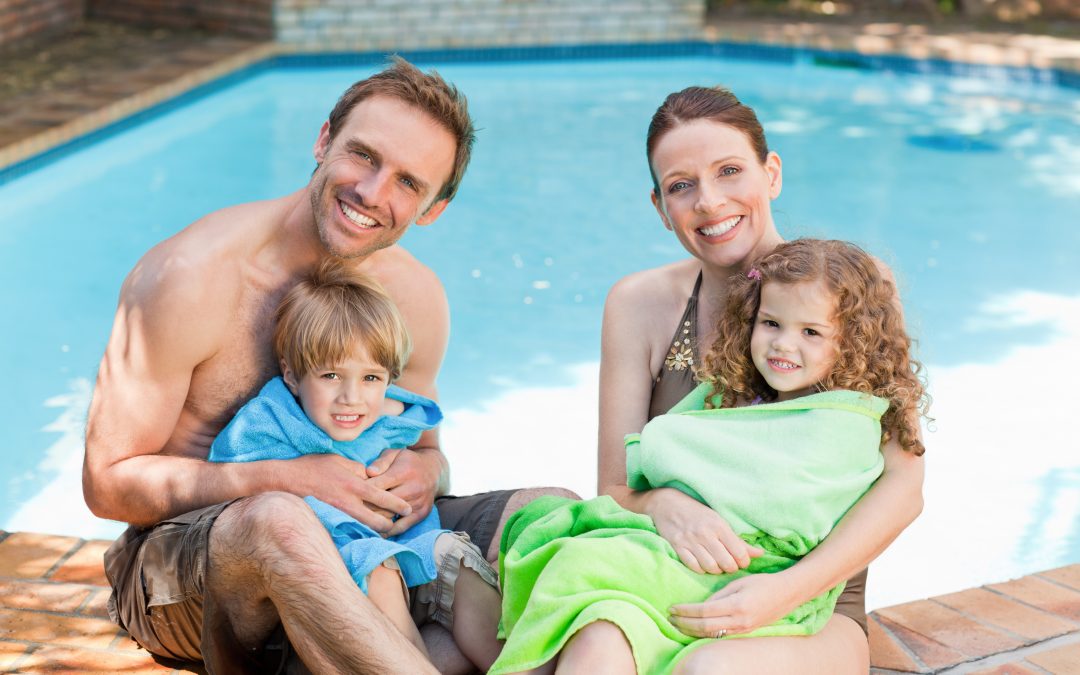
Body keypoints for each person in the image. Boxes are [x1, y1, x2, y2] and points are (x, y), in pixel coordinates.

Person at [84, 57, 573, 674]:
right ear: (323, 141)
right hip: (187, 570)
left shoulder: (415, 299)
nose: (373, 193)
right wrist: (289, 477)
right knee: (281, 523)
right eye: (364, 156)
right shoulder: (191, 277)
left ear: (433, 208)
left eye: (408, 183)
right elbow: (106, 484)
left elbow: (426, 450)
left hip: (369, 546)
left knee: (551, 514)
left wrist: (425, 472)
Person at [584, 84, 926, 673]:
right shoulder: (638, 305)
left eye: (729, 171)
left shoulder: (856, 287)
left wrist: (783, 590)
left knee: (708, 671)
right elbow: (615, 490)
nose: (709, 202)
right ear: (660, 206)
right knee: (589, 649)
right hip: (663, 583)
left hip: (814, 607)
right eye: (681, 185)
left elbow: (904, 485)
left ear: (772, 174)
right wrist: (663, 503)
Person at [489, 238, 929, 674]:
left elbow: (889, 492)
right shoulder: (731, 396)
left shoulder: (854, 414)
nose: (782, 345)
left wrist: (783, 589)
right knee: (594, 631)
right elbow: (642, 470)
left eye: (811, 332)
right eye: (771, 324)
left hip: (781, 585)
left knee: (699, 661)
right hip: (687, 564)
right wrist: (664, 500)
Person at [208, 258, 502, 671]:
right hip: (333, 576)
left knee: (456, 555)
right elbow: (228, 479)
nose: (352, 398)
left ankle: (515, 667)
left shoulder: (390, 415)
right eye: (330, 376)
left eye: (370, 378)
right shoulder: (270, 422)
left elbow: (424, 438)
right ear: (292, 377)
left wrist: (420, 465)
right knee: (377, 568)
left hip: (404, 549)